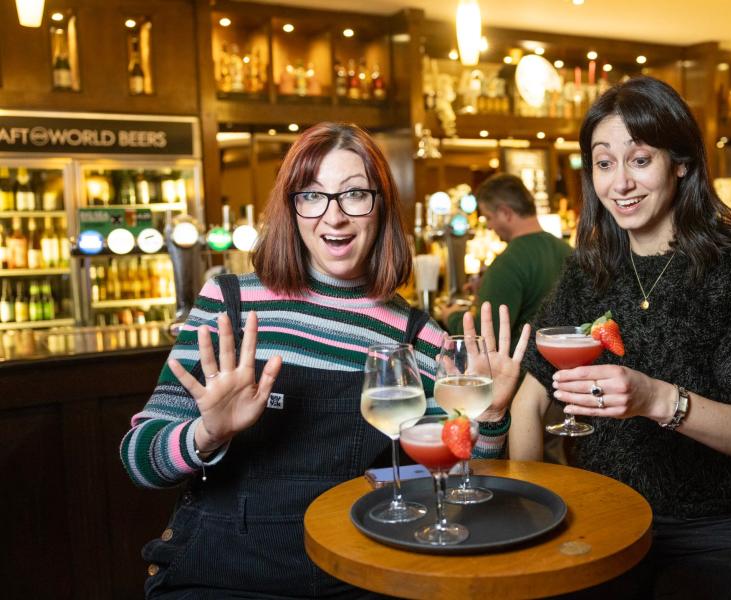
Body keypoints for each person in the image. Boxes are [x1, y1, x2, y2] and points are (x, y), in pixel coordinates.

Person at [121, 122, 528, 599]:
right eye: (312, 196)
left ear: (381, 208)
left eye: (354, 194)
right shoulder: (228, 304)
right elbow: (137, 460)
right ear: (291, 209)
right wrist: (207, 433)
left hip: (354, 575)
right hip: (224, 574)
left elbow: (459, 479)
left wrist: (493, 417)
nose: (333, 217)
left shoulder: (417, 335)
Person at [509, 77, 731, 600]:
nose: (620, 183)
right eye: (604, 163)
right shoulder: (588, 271)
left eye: (640, 159)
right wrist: (536, 509)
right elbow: (527, 403)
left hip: (716, 532)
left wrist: (658, 399)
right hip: (601, 521)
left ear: (681, 162)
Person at [443, 173, 572, 352]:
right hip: (565, 368)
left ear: (505, 212)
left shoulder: (507, 264)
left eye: (488, 217)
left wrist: (452, 316)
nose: (489, 226)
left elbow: (484, 339)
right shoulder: (567, 251)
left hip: (521, 373)